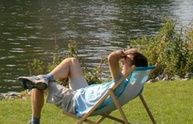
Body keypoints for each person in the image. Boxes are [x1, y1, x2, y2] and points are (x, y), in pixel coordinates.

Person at [17, 49, 148, 124]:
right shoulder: (135, 86)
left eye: (125, 60)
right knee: (71, 61)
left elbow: (112, 58)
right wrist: (128, 55)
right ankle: (47, 77)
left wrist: (121, 53)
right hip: (83, 93)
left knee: (38, 83)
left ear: (131, 67)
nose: (122, 61)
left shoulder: (121, 82)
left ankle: (34, 122)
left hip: (75, 101)